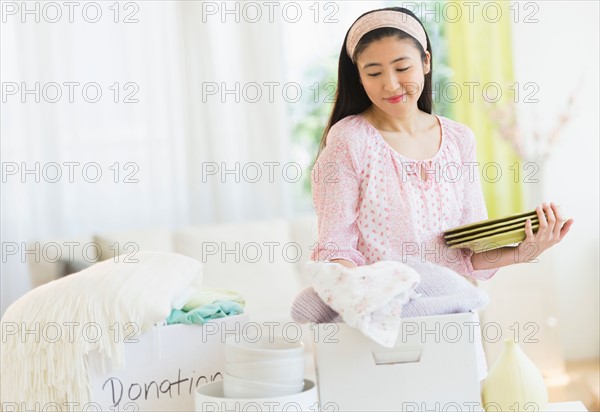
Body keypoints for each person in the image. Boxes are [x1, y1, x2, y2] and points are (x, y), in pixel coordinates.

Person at [310, 6, 574, 278]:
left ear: (426, 61)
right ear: (359, 76)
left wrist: (525, 250)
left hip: (453, 310)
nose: (390, 84)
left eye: (402, 67)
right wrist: (367, 296)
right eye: (374, 73)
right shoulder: (350, 140)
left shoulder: (458, 139)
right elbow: (335, 249)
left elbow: (469, 249)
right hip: (382, 314)